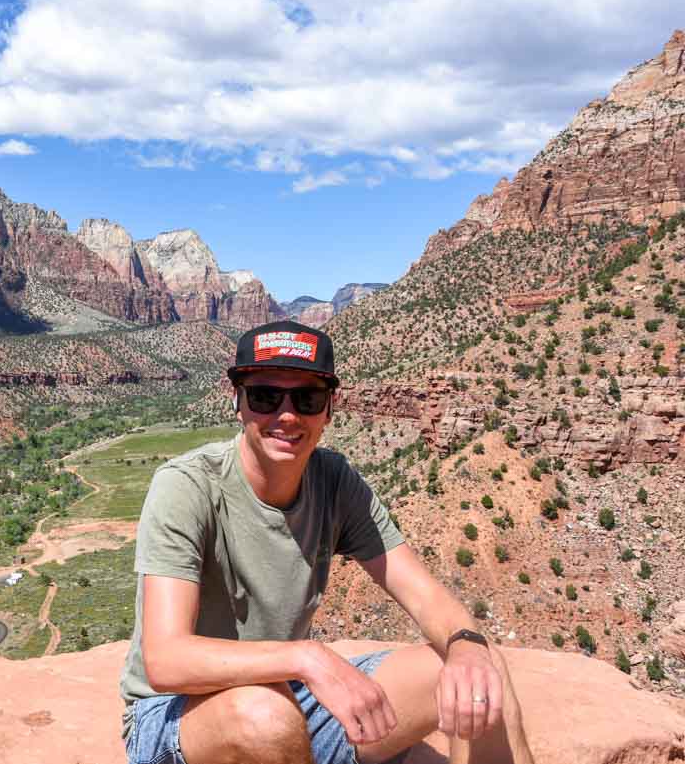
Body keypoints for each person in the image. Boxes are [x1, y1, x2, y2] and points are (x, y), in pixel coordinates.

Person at [119, 320, 534, 764]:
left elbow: (425, 596)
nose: (287, 415)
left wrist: (466, 646)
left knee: (478, 674)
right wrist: (307, 658)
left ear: (329, 408)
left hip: (290, 699)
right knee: (265, 715)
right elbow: (166, 660)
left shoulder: (335, 481)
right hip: (177, 717)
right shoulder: (186, 487)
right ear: (236, 401)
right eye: (264, 396)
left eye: (307, 398)